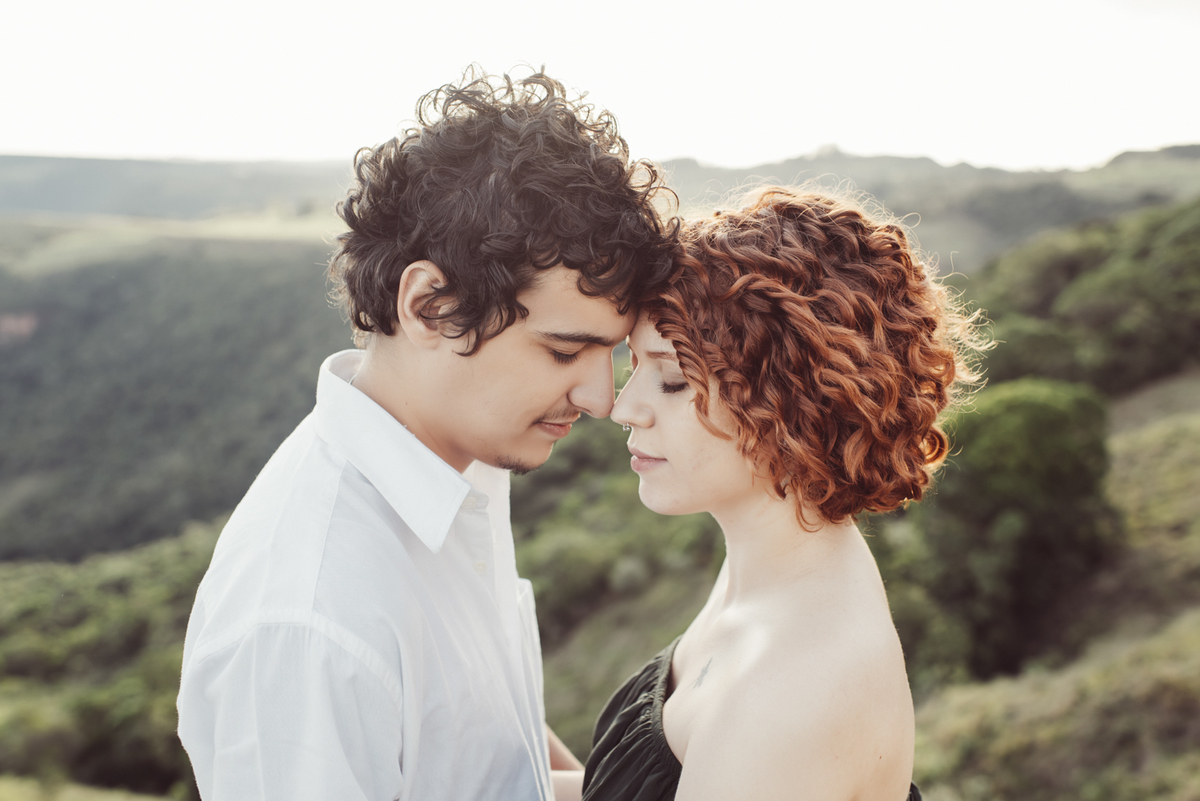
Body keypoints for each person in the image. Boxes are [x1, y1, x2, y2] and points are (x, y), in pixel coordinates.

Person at [176, 69, 676, 801]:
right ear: (431, 306)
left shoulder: (457, 469)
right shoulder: (309, 622)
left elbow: (490, 765)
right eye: (566, 352)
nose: (601, 398)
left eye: (613, 354)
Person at [564, 186, 981, 801]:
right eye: (635, 368)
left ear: (788, 401)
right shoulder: (772, 571)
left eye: (674, 379)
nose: (624, 407)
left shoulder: (792, 690)